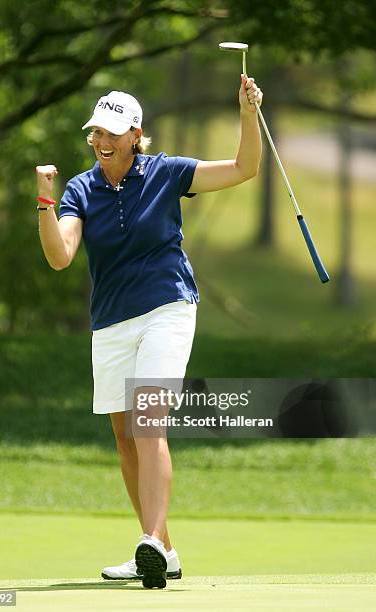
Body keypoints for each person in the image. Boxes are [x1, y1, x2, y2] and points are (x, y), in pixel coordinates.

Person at [35, 75, 263, 589]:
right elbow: (59, 256)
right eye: (97, 132)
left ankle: (152, 544)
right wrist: (45, 202)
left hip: (168, 308)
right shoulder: (81, 188)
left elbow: (245, 169)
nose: (102, 141)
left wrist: (247, 114)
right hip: (111, 321)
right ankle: (163, 548)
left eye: (114, 132)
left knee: (147, 421)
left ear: (137, 134)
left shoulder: (166, 173)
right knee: (124, 438)